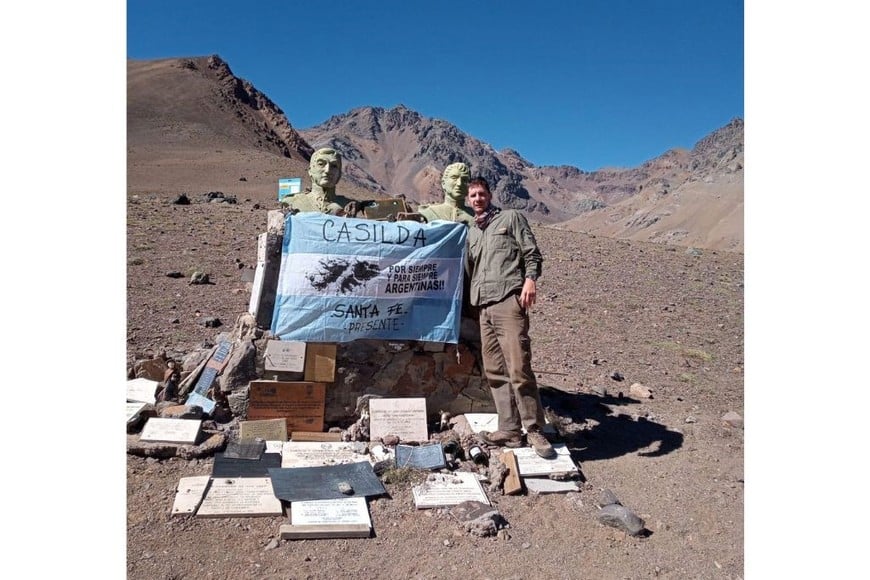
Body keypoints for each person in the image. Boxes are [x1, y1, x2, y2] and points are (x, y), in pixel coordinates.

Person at [464, 176, 555, 458]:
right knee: (494, 371)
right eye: (473, 195)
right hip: (483, 306)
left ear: (490, 195)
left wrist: (530, 281)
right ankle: (509, 429)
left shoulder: (511, 218)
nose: (477, 198)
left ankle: (534, 429)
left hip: (508, 300)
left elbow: (531, 252)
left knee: (519, 367)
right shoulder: (472, 231)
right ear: (468, 200)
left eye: (481, 193)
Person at [280, 148, 358, 215]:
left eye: (334, 166)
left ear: (339, 175)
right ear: (310, 171)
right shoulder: (292, 202)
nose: (327, 171)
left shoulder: (349, 205)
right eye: (321, 164)